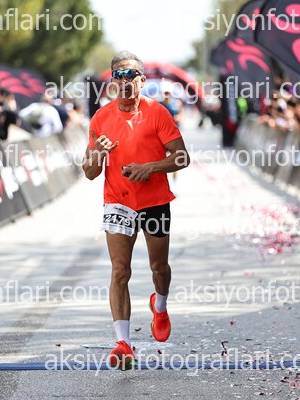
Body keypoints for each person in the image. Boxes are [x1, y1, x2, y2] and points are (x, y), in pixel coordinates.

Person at [82, 51, 190, 369]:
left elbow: (182, 157)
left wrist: (150, 168)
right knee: (120, 271)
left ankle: (160, 304)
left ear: (142, 81)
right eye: (119, 75)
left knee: (159, 268)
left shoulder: (158, 113)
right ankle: (123, 343)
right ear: (113, 83)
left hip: (154, 202)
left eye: (131, 75)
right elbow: (89, 172)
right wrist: (97, 154)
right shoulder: (100, 118)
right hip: (118, 202)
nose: (125, 81)